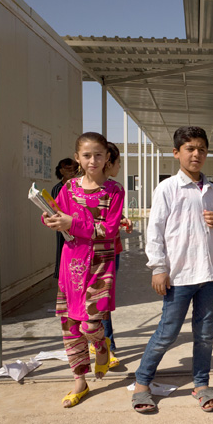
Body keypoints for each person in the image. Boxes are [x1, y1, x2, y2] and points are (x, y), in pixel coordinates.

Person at [132, 126, 213, 414]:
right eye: (189, 148)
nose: (196, 154)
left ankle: (201, 384)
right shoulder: (167, 189)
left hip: (210, 273)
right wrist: (158, 268)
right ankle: (142, 383)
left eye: (201, 148)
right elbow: (155, 231)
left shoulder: (211, 189)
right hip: (179, 275)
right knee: (167, 332)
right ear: (176, 153)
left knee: (205, 333)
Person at [42, 132, 124, 408]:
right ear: (77, 158)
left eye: (98, 155)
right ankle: (79, 380)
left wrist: (70, 223)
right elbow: (60, 218)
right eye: (87, 155)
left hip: (101, 262)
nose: (93, 160)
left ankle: (102, 348)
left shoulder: (114, 191)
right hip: (72, 262)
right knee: (70, 324)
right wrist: (50, 218)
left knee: (91, 323)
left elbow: (108, 230)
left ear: (107, 158)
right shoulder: (68, 188)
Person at [88, 142, 127, 367]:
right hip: (84, 254)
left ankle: (106, 346)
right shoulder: (74, 188)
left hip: (110, 251)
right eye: (118, 162)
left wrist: (120, 221)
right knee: (88, 304)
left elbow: (109, 222)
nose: (119, 166)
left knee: (102, 301)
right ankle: (97, 345)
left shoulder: (115, 189)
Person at [51, 158, 79, 280]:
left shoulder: (78, 187)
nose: (72, 172)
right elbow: (54, 209)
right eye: (68, 170)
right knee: (62, 248)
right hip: (62, 224)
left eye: (74, 169)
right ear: (61, 171)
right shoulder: (58, 189)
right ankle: (61, 274)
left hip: (75, 225)